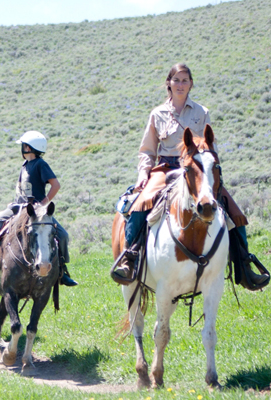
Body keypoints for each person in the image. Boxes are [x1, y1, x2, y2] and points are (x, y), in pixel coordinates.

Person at [113, 63, 268, 287]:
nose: (180, 84)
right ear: (169, 83)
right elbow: (147, 151)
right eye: (176, 80)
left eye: (185, 80)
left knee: (234, 211)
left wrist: (212, 174)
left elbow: (210, 147)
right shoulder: (157, 114)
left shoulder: (201, 112)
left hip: (197, 170)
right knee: (140, 203)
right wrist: (143, 175)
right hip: (166, 169)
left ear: (191, 84)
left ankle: (244, 265)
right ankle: (130, 258)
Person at [0, 131, 78, 286]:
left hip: (36, 210)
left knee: (63, 235)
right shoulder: (25, 165)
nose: (22, 148)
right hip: (18, 207)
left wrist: (44, 202)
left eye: (24, 145)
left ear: (29, 147)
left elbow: (55, 185)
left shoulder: (40, 164)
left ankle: (62, 271)